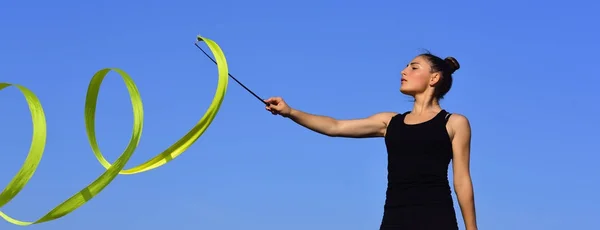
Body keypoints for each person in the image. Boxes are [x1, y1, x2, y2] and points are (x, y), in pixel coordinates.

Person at [264, 53, 477, 230]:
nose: (403, 71)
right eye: (406, 67)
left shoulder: (454, 123)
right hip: (394, 218)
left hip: (437, 217)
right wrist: (290, 112)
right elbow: (334, 126)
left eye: (414, 67)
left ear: (434, 78)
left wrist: (472, 228)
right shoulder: (389, 122)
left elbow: (462, 181)